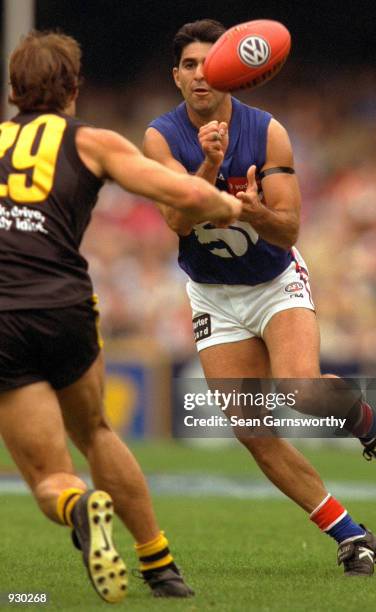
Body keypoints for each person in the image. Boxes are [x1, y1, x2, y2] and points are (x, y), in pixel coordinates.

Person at [142, 18, 376, 577]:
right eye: (189, 66)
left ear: (233, 70)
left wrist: (245, 206)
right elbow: (173, 217)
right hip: (214, 295)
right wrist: (213, 167)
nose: (200, 75)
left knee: (300, 389)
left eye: (209, 63)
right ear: (177, 77)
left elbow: (289, 230)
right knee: (250, 429)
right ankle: (351, 535)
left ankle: (370, 427)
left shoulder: (267, 130)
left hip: (274, 282)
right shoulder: (159, 136)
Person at [0, 30, 242, 603]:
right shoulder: (93, 141)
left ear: (13, 90)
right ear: (74, 89)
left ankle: (79, 505)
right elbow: (178, 193)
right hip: (64, 308)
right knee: (96, 432)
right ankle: (159, 565)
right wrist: (227, 201)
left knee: (47, 476)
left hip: (4, 316)